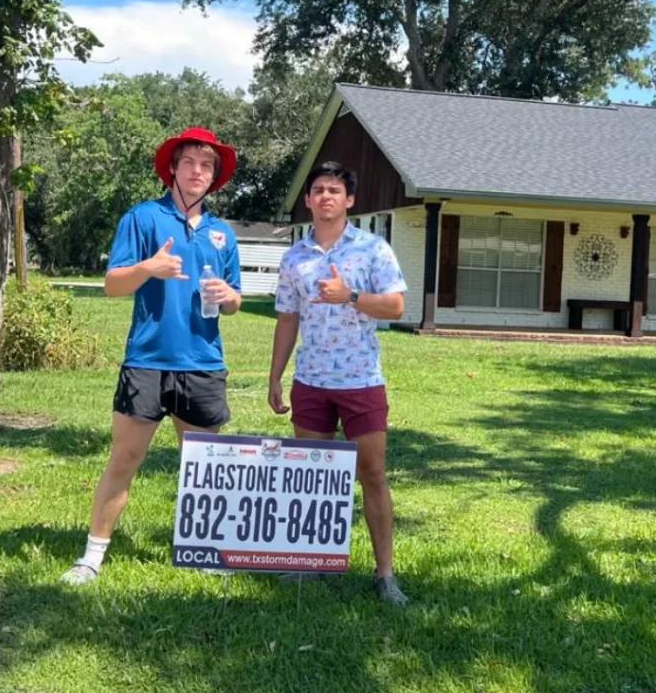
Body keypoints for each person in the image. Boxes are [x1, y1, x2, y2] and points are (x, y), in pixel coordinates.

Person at [61, 127, 242, 584]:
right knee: (124, 459)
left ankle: (203, 549)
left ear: (214, 177)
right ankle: (92, 557)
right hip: (147, 361)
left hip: (203, 363)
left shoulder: (223, 233)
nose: (198, 172)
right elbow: (112, 285)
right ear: (173, 169)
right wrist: (149, 268)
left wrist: (228, 296)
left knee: (205, 467)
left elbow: (236, 299)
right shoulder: (142, 218)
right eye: (190, 163)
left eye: (207, 166)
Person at [268, 161, 409, 606]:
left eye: (335, 189)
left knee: (372, 474)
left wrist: (349, 295)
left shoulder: (373, 249)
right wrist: (274, 376)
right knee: (310, 476)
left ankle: (384, 573)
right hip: (310, 380)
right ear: (308, 200)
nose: (326, 196)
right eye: (318, 190)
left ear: (349, 200)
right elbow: (287, 319)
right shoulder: (295, 258)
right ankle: (304, 562)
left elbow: (396, 307)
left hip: (360, 380)